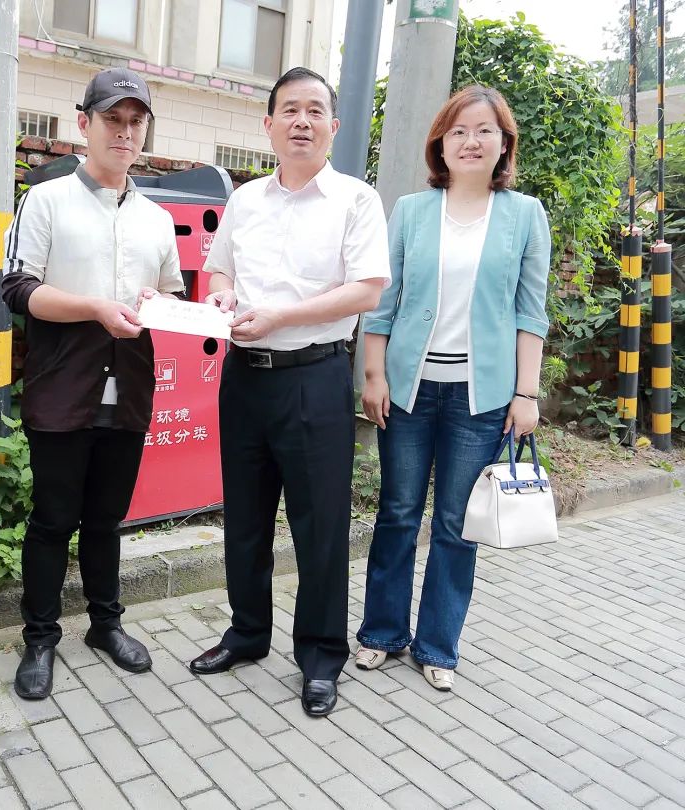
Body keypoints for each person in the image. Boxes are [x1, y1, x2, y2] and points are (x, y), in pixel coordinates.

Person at [188, 67, 390, 718]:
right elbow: (219, 268)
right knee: (245, 518)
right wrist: (221, 296)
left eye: (314, 110)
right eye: (289, 110)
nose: (302, 121)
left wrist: (280, 317)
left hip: (315, 375)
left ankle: (321, 656)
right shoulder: (246, 199)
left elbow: (366, 290)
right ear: (268, 124)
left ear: (333, 125)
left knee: (320, 525)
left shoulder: (356, 200)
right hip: (244, 376)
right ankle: (247, 633)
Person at [355, 85, 550, 691]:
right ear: (440, 143)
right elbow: (383, 304)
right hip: (409, 391)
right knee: (397, 513)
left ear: (503, 145)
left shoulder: (525, 215)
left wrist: (526, 394)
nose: (471, 141)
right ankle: (382, 634)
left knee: (455, 524)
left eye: (484, 130)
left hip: (480, 397)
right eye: (459, 131)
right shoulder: (412, 211)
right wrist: (374, 375)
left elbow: (530, 312)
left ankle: (438, 645)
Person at [1, 68, 184, 700]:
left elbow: (169, 295)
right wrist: (96, 309)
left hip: (129, 387)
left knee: (107, 519)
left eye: (136, 122)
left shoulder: (157, 218)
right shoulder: (46, 200)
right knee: (53, 520)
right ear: (84, 123)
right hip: (63, 385)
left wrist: (166, 306)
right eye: (113, 119)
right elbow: (17, 289)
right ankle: (39, 638)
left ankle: (106, 625)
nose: (125, 132)